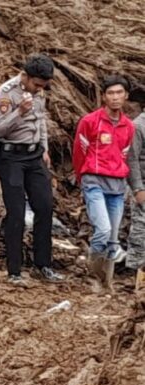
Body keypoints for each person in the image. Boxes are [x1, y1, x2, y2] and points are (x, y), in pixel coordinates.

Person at [0, 54, 64, 285]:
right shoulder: (6, 91)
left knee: (44, 206)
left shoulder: (39, 91)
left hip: (34, 156)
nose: (38, 89)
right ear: (24, 76)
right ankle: (14, 270)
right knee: (16, 213)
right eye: (36, 84)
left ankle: (43, 264)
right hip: (11, 156)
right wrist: (19, 112)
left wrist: (43, 147)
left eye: (43, 86)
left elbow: (41, 120)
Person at [73, 75, 134, 292]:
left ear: (126, 96)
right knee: (103, 230)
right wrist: (83, 177)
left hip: (117, 185)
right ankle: (93, 277)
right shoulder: (90, 121)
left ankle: (107, 283)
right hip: (94, 180)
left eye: (119, 93)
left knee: (113, 236)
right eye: (111, 93)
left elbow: (125, 155)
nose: (115, 97)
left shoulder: (128, 126)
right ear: (104, 96)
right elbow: (79, 152)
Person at [127, 107, 145, 287]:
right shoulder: (138, 126)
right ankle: (137, 273)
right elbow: (132, 159)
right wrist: (137, 188)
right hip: (142, 184)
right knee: (141, 228)